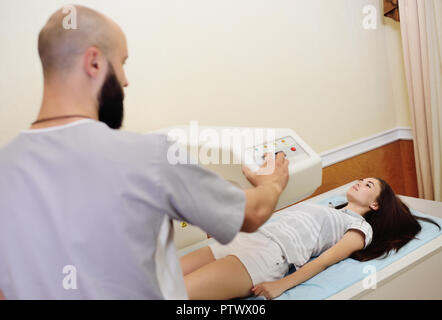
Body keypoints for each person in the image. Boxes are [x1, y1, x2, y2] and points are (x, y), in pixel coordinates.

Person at [0, 5, 289, 299]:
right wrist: (272, 182)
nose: (125, 80)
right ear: (94, 62)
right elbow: (252, 213)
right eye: (122, 63)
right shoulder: (148, 156)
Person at [180, 177, 441, 300]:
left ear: (375, 205)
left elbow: (326, 260)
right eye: (361, 180)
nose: (360, 183)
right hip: (244, 241)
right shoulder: (328, 206)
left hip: (268, 256)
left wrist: (283, 284)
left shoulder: (360, 228)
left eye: (368, 186)